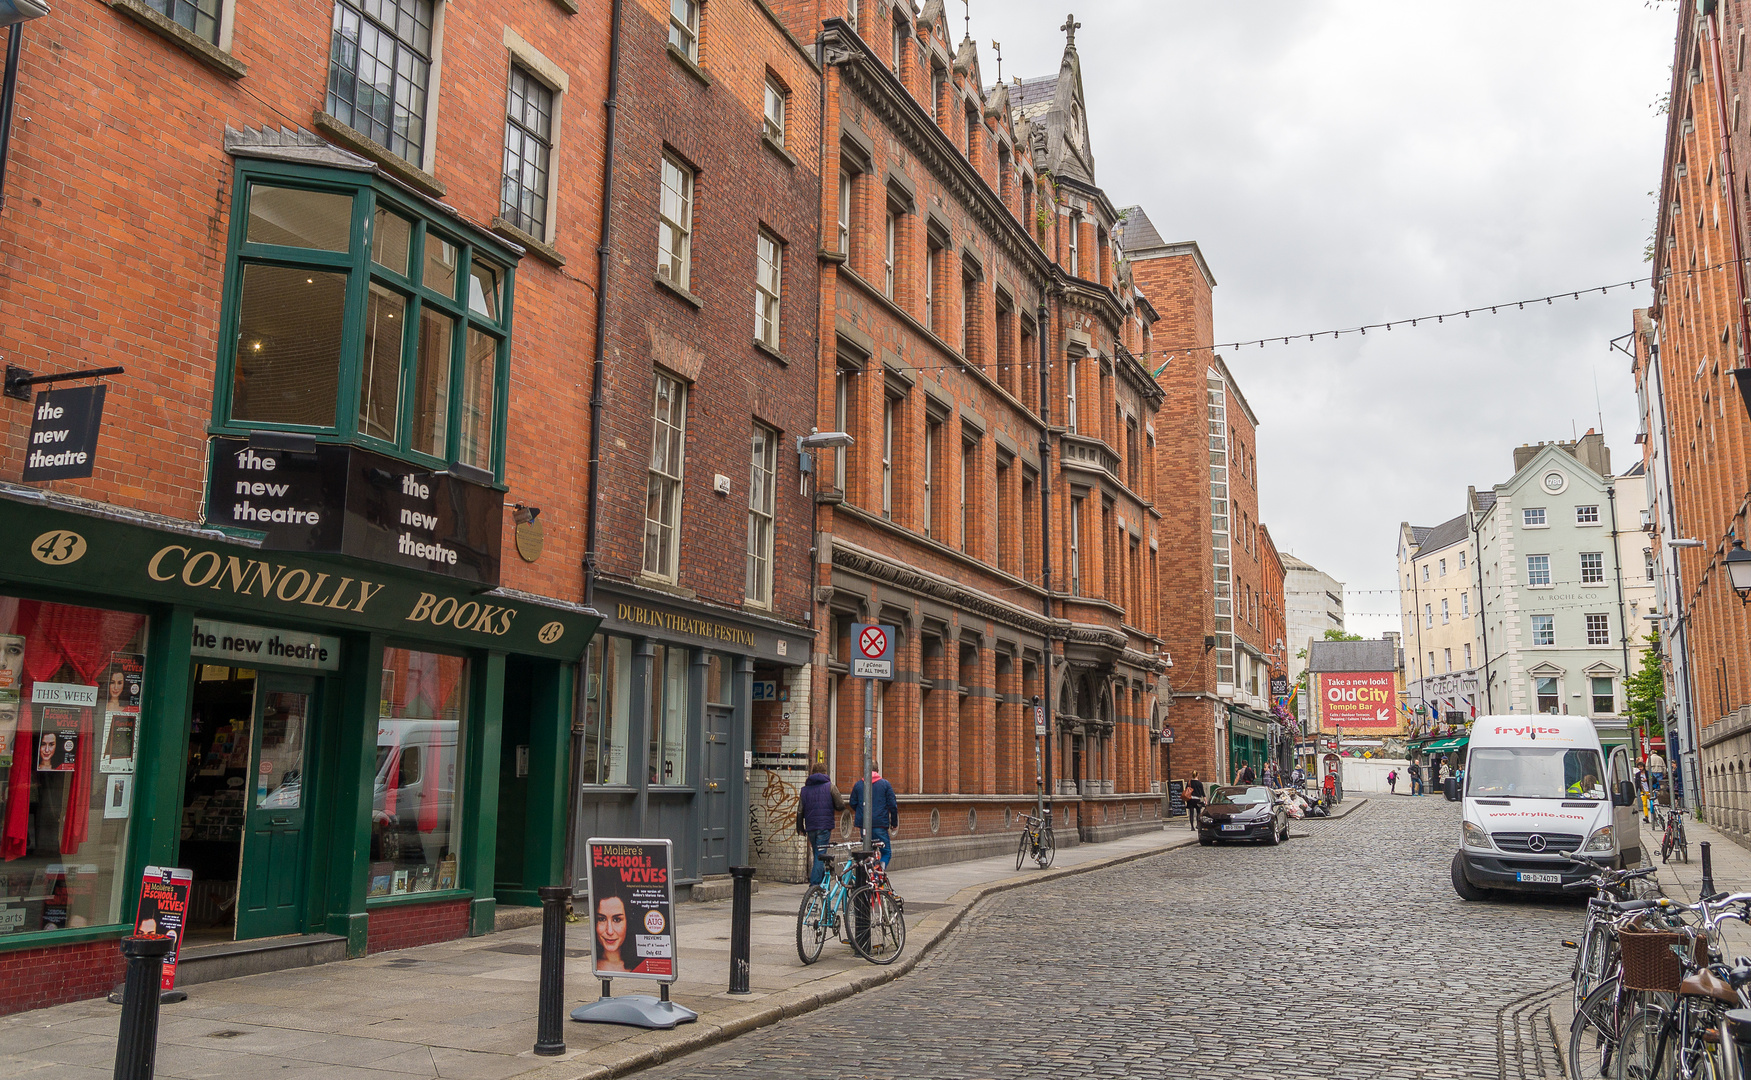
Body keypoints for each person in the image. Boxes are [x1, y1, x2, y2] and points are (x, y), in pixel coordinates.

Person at [796, 765, 847, 887]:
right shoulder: (830, 787)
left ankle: (824, 883)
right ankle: (814, 885)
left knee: (817, 853)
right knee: (820, 855)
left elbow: (799, 811)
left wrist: (800, 827)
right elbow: (840, 805)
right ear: (825, 772)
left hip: (811, 827)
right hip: (824, 826)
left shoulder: (805, 790)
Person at [849, 765, 899, 868]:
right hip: (880, 825)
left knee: (868, 853)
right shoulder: (885, 784)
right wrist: (894, 823)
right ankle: (877, 875)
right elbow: (893, 805)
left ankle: (870, 875)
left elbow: (852, 803)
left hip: (864, 826)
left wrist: (862, 813)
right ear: (877, 770)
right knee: (886, 853)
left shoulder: (858, 785)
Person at [592, 890, 642, 973]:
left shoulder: (642, 965)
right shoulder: (595, 965)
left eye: (617, 920)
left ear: (628, 921)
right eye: (602, 919)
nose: (610, 931)